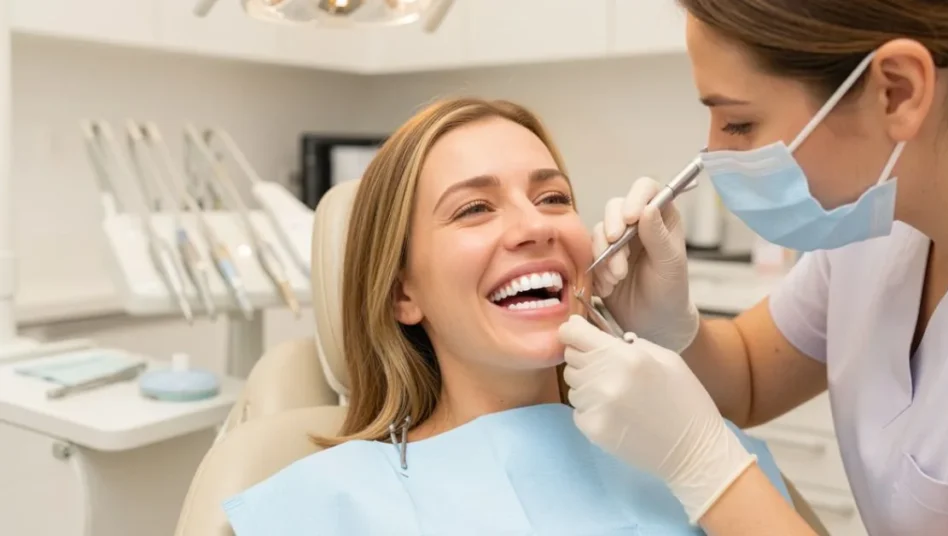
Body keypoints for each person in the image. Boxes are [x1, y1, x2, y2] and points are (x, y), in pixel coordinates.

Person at [219, 97, 791, 535]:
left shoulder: (702, 452)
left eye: (553, 198)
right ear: (402, 293)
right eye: (474, 209)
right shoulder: (326, 505)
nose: (537, 226)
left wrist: (700, 444)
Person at [558, 1, 948, 535]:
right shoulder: (875, 220)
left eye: (739, 121)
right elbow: (751, 377)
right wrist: (672, 328)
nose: (713, 152)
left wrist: (704, 466)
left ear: (898, 90)